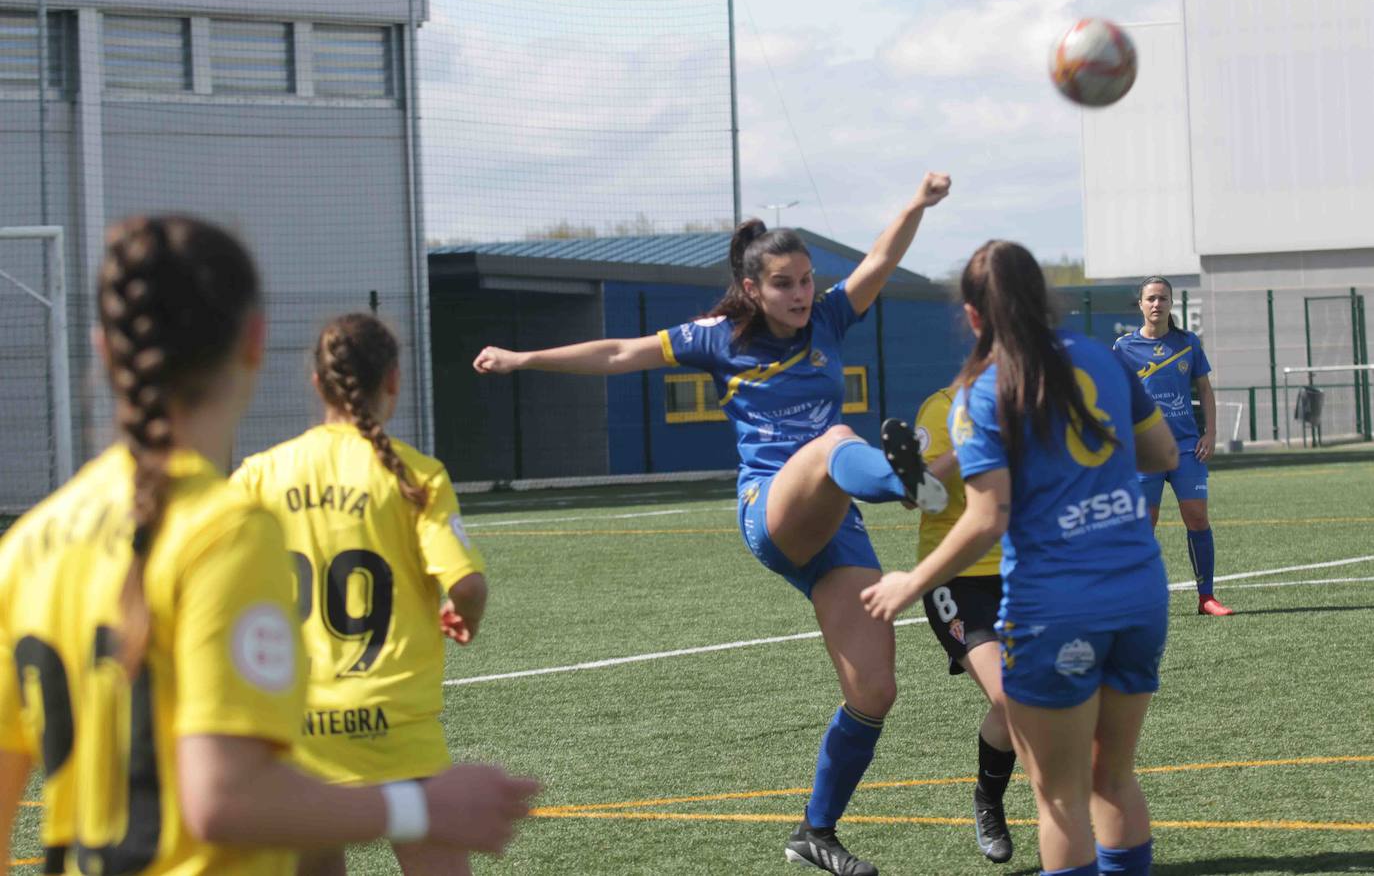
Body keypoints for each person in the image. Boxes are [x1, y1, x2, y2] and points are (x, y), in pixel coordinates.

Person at [0, 216, 537, 876]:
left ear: (104, 350)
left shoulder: (24, 547)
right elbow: (222, 799)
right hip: (382, 737)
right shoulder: (224, 531)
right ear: (254, 341)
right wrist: (420, 808)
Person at [473, 172, 953, 876]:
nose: (799, 294)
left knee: (874, 692)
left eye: (805, 280)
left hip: (835, 525)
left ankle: (814, 833)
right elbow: (617, 353)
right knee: (832, 443)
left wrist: (914, 204)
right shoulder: (714, 339)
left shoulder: (827, 318)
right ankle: (905, 483)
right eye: (784, 283)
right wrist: (524, 357)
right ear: (753, 287)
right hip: (772, 511)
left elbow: (878, 262)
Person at [862, 240, 1179, 876]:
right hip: (1141, 591)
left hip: (1057, 605)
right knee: (1112, 777)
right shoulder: (1105, 359)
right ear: (1044, 297)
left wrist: (909, 582)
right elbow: (1164, 454)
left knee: (1060, 798)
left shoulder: (983, 391)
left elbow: (986, 519)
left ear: (974, 317)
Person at [233, 312, 490, 876]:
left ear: (317, 383)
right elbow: (466, 585)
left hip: (298, 725)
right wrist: (462, 616)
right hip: (395, 724)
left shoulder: (258, 474)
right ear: (393, 379)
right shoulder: (414, 475)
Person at [911, 385, 1016, 865]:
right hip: (954, 579)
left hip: (1022, 572)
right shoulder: (941, 407)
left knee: (1046, 699)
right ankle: (988, 801)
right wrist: (964, 446)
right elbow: (915, 498)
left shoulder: (1030, 405)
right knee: (1010, 697)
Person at [1113, 277, 1232, 616]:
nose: (1156, 304)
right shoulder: (1123, 348)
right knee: (1143, 527)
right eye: (1150, 298)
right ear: (1140, 304)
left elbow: (1205, 391)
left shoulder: (1188, 342)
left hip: (1185, 447)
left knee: (1197, 518)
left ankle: (1206, 597)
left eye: (1163, 298)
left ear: (1171, 304)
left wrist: (1209, 433)